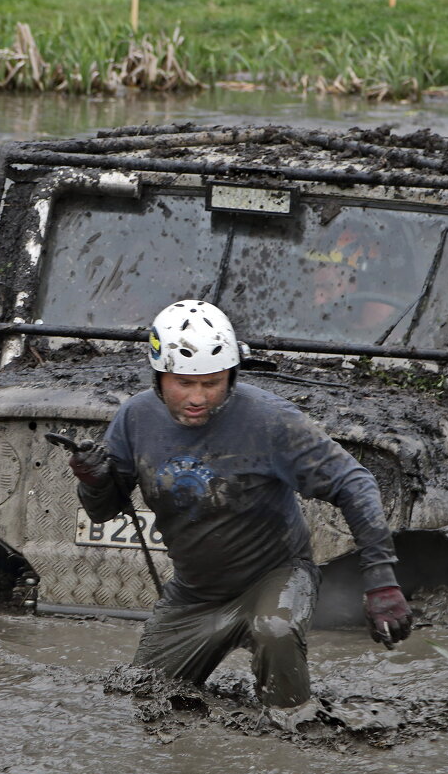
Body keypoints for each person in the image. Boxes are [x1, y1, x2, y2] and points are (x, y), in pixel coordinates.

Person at [66, 299, 412, 718]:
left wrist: (381, 581)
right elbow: (104, 511)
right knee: (140, 702)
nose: (198, 398)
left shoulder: (269, 420)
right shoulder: (135, 418)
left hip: (276, 575)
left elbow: (352, 482)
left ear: (232, 376)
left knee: (276, 629)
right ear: (159, 377)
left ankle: (295, 735)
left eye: (212, 384)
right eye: (183, 383)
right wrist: (94, 480)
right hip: (195, 594)